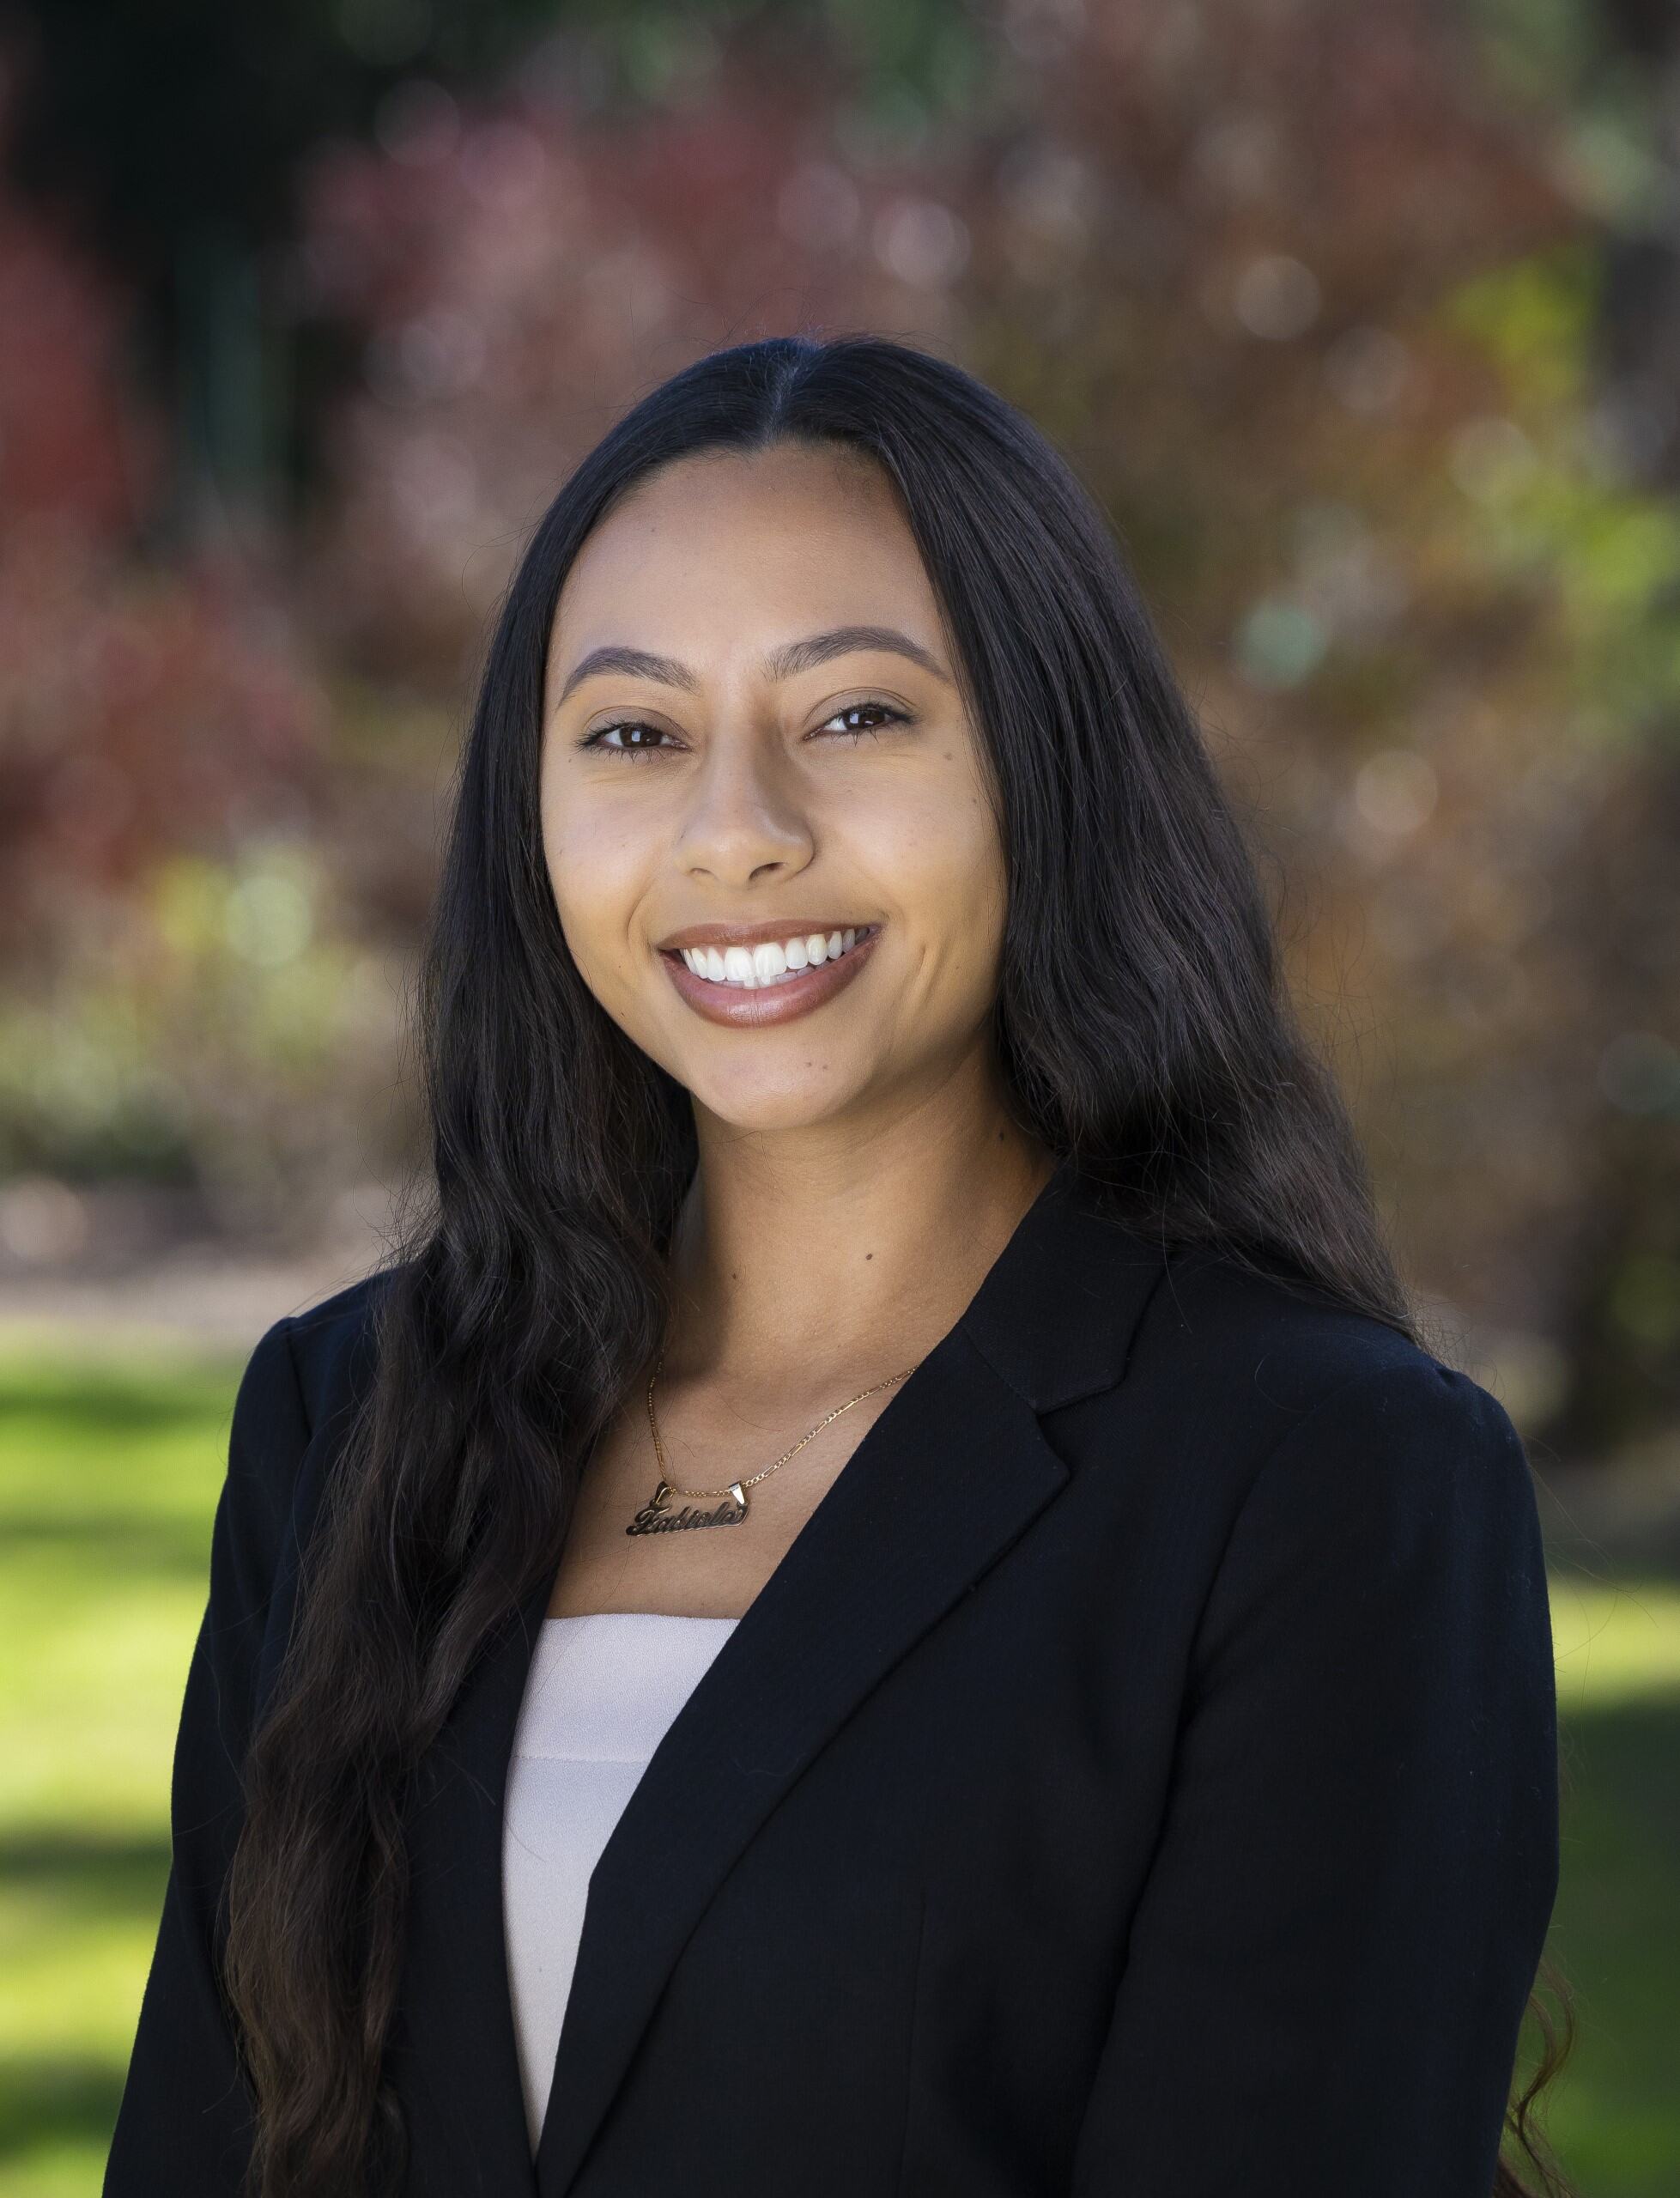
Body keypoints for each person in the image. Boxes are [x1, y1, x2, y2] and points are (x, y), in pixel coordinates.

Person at [105, 333, 1569, 2198]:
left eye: (857, 714)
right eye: (633, 733)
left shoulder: (1326, 1482)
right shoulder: (345, 1421)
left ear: (1042, 764)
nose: (738, 831)